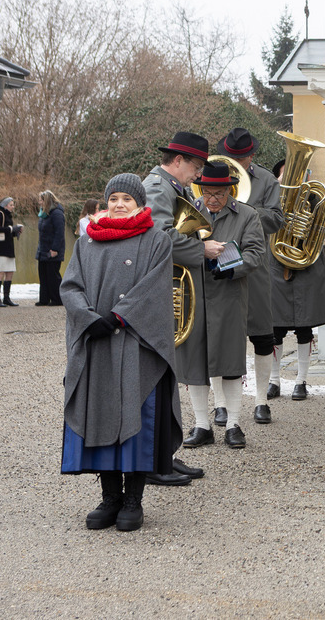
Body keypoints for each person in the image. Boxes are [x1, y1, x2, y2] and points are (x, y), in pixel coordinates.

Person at [60, 174, 181, 532]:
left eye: (127, 199)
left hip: (135, 341)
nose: (119, 204)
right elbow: (70, 286)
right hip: (97, 341)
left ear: (140, 204)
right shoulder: (87, 241)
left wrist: (119, 316)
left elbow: (154, 288)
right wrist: (88, 318)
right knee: (99, 413)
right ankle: (110, 497)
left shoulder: (156, 240)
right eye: (113, 198)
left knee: (135, 416)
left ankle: (133, 500)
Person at [178, 159, 266, 451]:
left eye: (219, 193)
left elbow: (256, 253)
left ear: (230, 191)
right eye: (208, 192)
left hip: (230, 294)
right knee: (195, 360)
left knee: (230, 361)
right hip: (195, 295)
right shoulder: (188, 211)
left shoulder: (248, 215)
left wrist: (230, 267)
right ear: (200, 189)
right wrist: (199, 253)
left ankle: (233, 425)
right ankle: (202, 425)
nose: (213, 198)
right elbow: (176, 248)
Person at [143, 130, 214, 486]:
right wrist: (202, 250)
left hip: (169, 284)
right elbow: (160, 236)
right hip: (158, 289)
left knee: (167, 377)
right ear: (178, 160)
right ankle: (154, 461)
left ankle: (165, 455)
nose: (198, 175)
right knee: (158, 377)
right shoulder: (158, 187)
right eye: (196, 167)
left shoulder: (172, 187)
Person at [213, 128, 283, 424]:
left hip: (254, 265)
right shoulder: (211, 175)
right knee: (217, 334)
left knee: (262, 334)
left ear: (251, 156)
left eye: (240, 158)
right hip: (217, 261)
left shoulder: (266, 179)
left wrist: (246, 210)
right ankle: (219, 404)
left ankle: (261, 400)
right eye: (230, 157)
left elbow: (277, 219)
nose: (235, 162)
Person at [266, 158, 325, 402]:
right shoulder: (271, 196)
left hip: (307, 267)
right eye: (286, 174)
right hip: (276, 266)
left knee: (305, 328)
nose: (295, 177)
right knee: (274, 328)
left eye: (300, 173)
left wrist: (305, 211)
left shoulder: (313, 196)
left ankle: (301, 381)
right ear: (278, 178)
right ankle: (274, 380)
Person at [0, 197, 23, 307]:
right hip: (0, 249)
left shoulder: (8, 216)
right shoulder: (0, 214)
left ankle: (6, 298)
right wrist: (11, 229)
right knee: (0, 272)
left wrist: (16, 231)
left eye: (13, 205)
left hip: (9, 248)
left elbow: (7, 232)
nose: (13, 207)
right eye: (11, 205)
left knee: (10, 272)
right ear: (5, 206)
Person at [35, 190, 66, 306]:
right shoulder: (44, 214)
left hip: (52, 250)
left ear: (46, 201)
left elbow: (59, 233)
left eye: (41, 200)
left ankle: (57, 299)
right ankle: (44, 298)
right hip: (43, 249)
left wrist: (55, 249)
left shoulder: (57, 214)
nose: (39, 202)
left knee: (52, 275)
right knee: (43, 275)